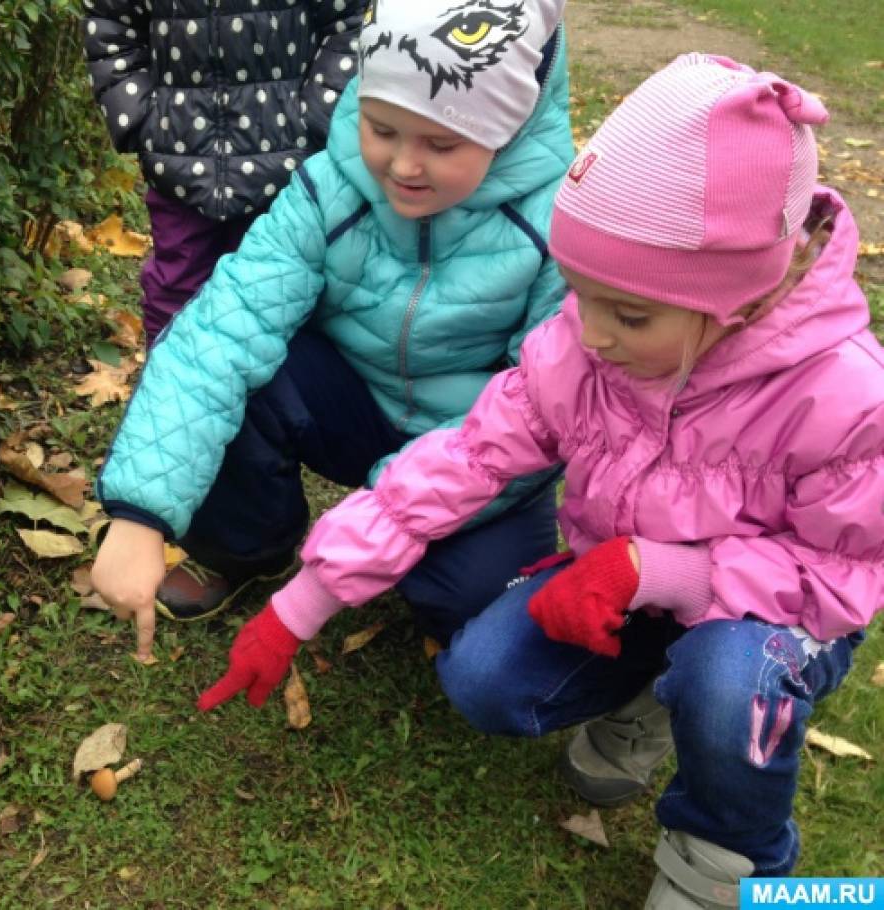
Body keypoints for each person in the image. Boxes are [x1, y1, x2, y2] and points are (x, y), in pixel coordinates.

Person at [198, 53, 884, 908]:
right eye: (577, 293)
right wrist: (303, 602)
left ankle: (727, 859)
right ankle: (646, 694)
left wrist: (654, 570)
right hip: (618, 590)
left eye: (628, 313)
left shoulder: (845, 396)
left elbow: (841, 576)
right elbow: (465, 460)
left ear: (737, 300)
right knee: (483, 677)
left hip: (768, 617)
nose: (589, 333)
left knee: (729, 676)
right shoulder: (581, 345)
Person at [91, 0, 574, 657]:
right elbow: (223, 325)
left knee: (470, 609)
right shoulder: (329, 187)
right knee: (243, 356)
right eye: (381, 127)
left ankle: (432, 563)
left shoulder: (560, 228)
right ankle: (241, 546)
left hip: (478, 447)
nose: (402, 165)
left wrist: (401, 511)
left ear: (511, 126)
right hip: (355, 404)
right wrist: (139, 512)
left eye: (441, 142)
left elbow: (541, 412)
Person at [83, 0, 367, 347]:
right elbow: (112, 23)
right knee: (174, 293)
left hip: (283, 164)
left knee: (276, 293)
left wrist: (316, 118)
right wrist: (139, 117)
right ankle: (166, 395)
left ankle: (271, 400)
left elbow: (349, 24)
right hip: (178, 156)